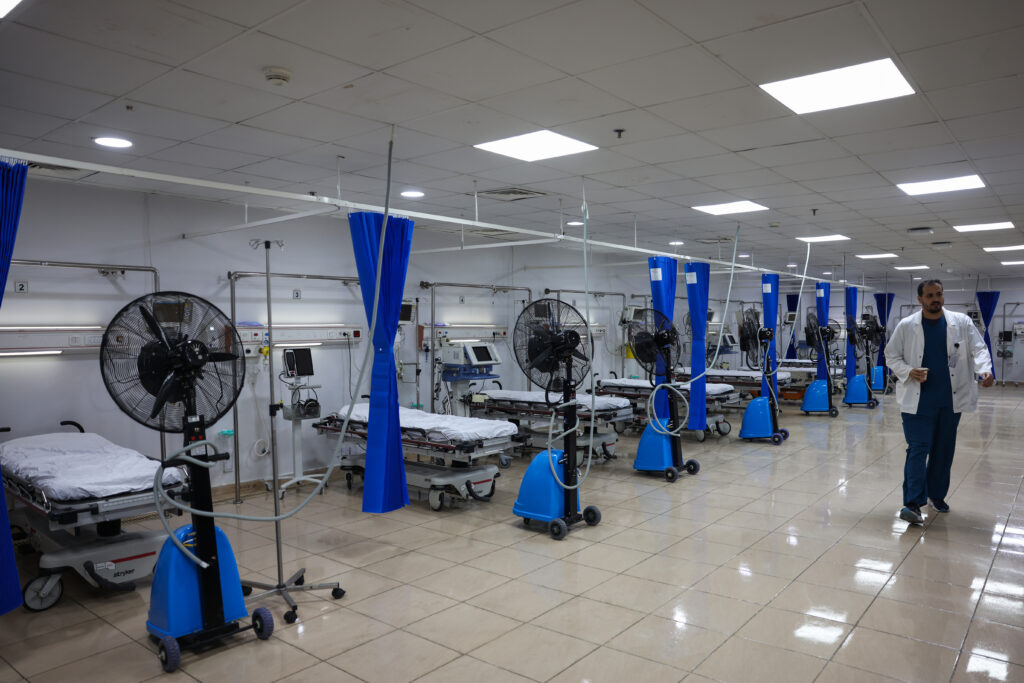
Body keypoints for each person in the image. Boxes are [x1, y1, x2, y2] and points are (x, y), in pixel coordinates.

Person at [884, 279, 993, 524]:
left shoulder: (961, 322)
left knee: (943, 450)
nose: (936, 299)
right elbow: (891, 355)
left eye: (939, 294)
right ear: (920, 299)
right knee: (917, 449)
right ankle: (912, 503)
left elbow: (978, 348)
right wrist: (908, 371)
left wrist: (984, 370)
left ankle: (936, 495)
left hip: (949, 401)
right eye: (930, 295)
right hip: (917, 401)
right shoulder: (907, 325)